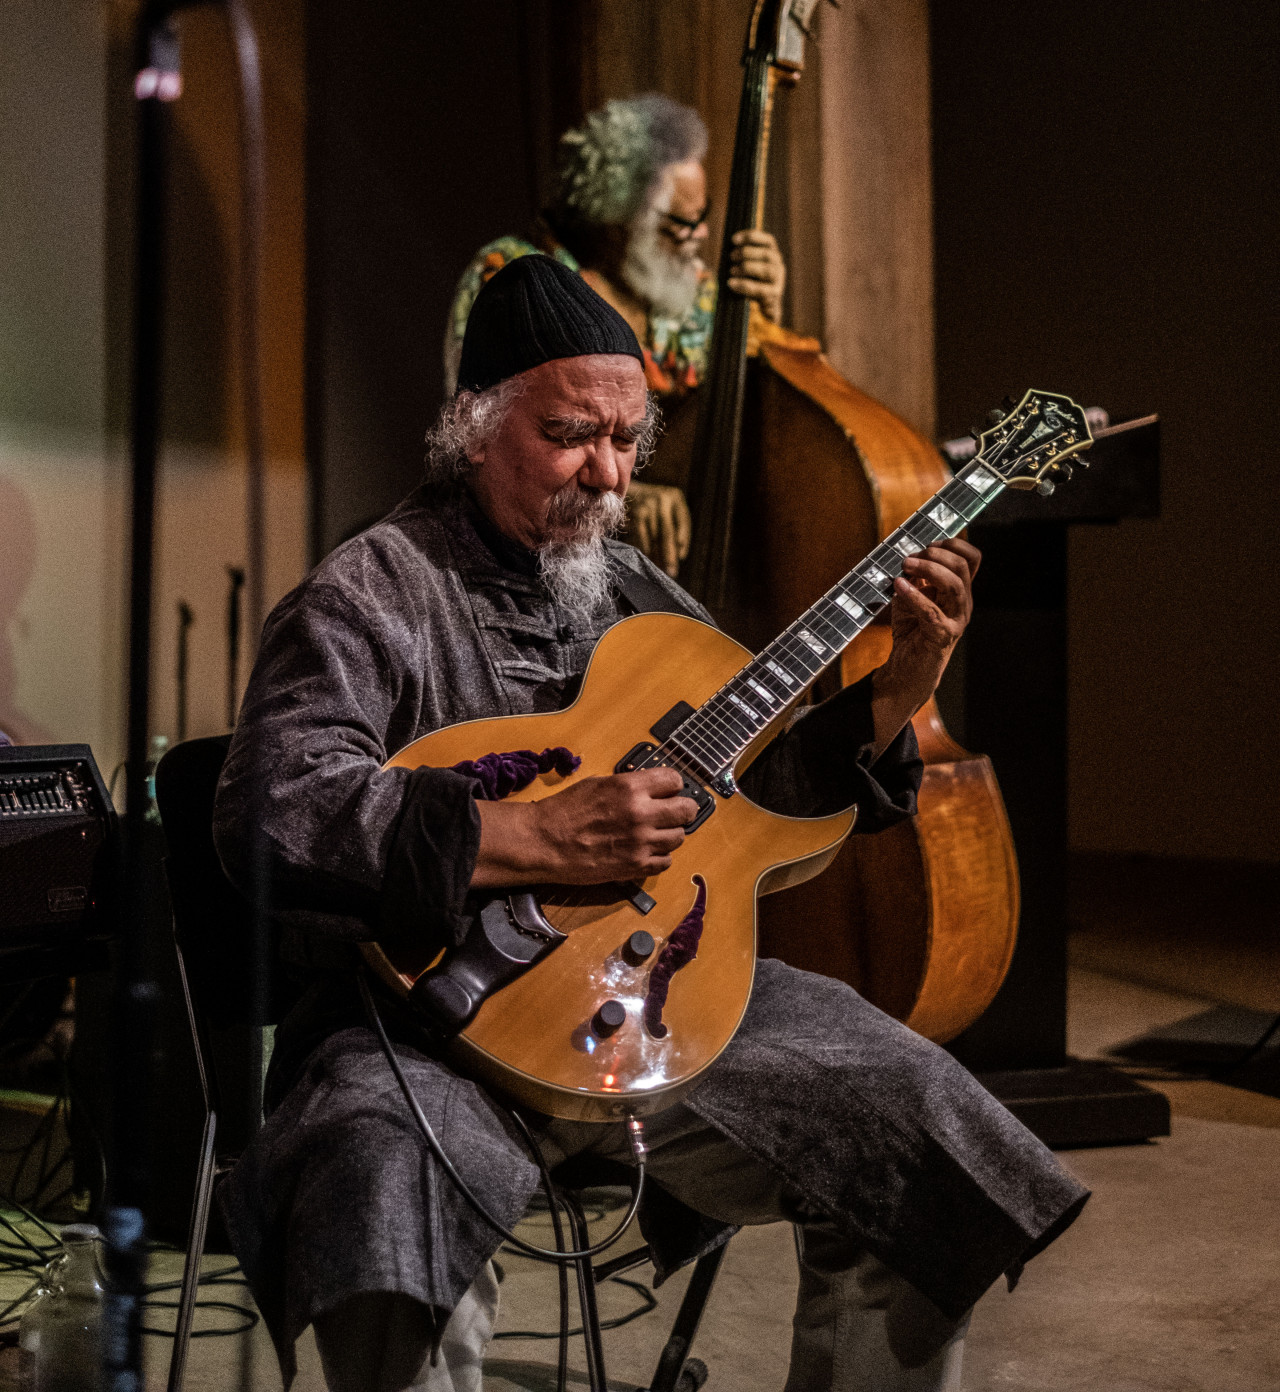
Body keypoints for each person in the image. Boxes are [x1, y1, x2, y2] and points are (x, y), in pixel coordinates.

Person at [215, 255, 1088, 1392]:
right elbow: (272, 804)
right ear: (471, 430)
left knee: (922, 1138)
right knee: (383, 1202)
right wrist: (533, 837)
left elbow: (754, 801)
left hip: (664, 1005)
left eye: (629, 442)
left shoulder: (634, 588)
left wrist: (894, 691)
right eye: (574, 433)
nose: (608, 474)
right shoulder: (369, 592)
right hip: (426, 1027)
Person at [444, 93, 785, 575]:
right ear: (613, 217)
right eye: (678, 224)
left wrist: (768, 317)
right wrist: (625, 494)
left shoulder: (702, 298)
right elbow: (480, 435)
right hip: (529, 554)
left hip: (672, 566)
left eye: (703, 217)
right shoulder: (514, 276)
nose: (701, 237)